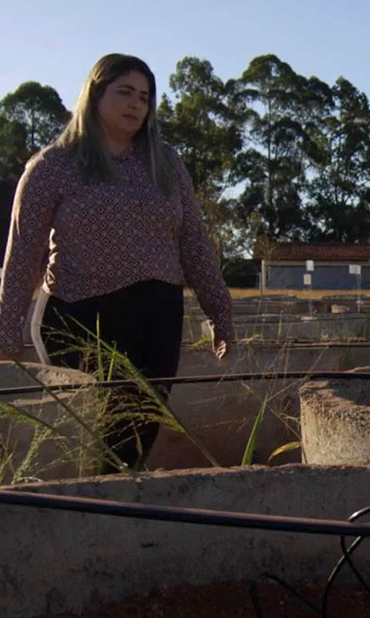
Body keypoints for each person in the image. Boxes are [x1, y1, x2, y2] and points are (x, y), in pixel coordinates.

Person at [0, 53, 234, 470]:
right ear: (94, 95)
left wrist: (220, 313)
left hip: (158, 319)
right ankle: (89, 519)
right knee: (96, 436)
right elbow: (22, 255)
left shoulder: (165, 164)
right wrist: (6, 331)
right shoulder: (53, 166)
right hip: (80, 317)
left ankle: (119, 517)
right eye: (124, 92)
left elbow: (194, 243)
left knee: (135, 440)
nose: (135, 105)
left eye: (144, 97)